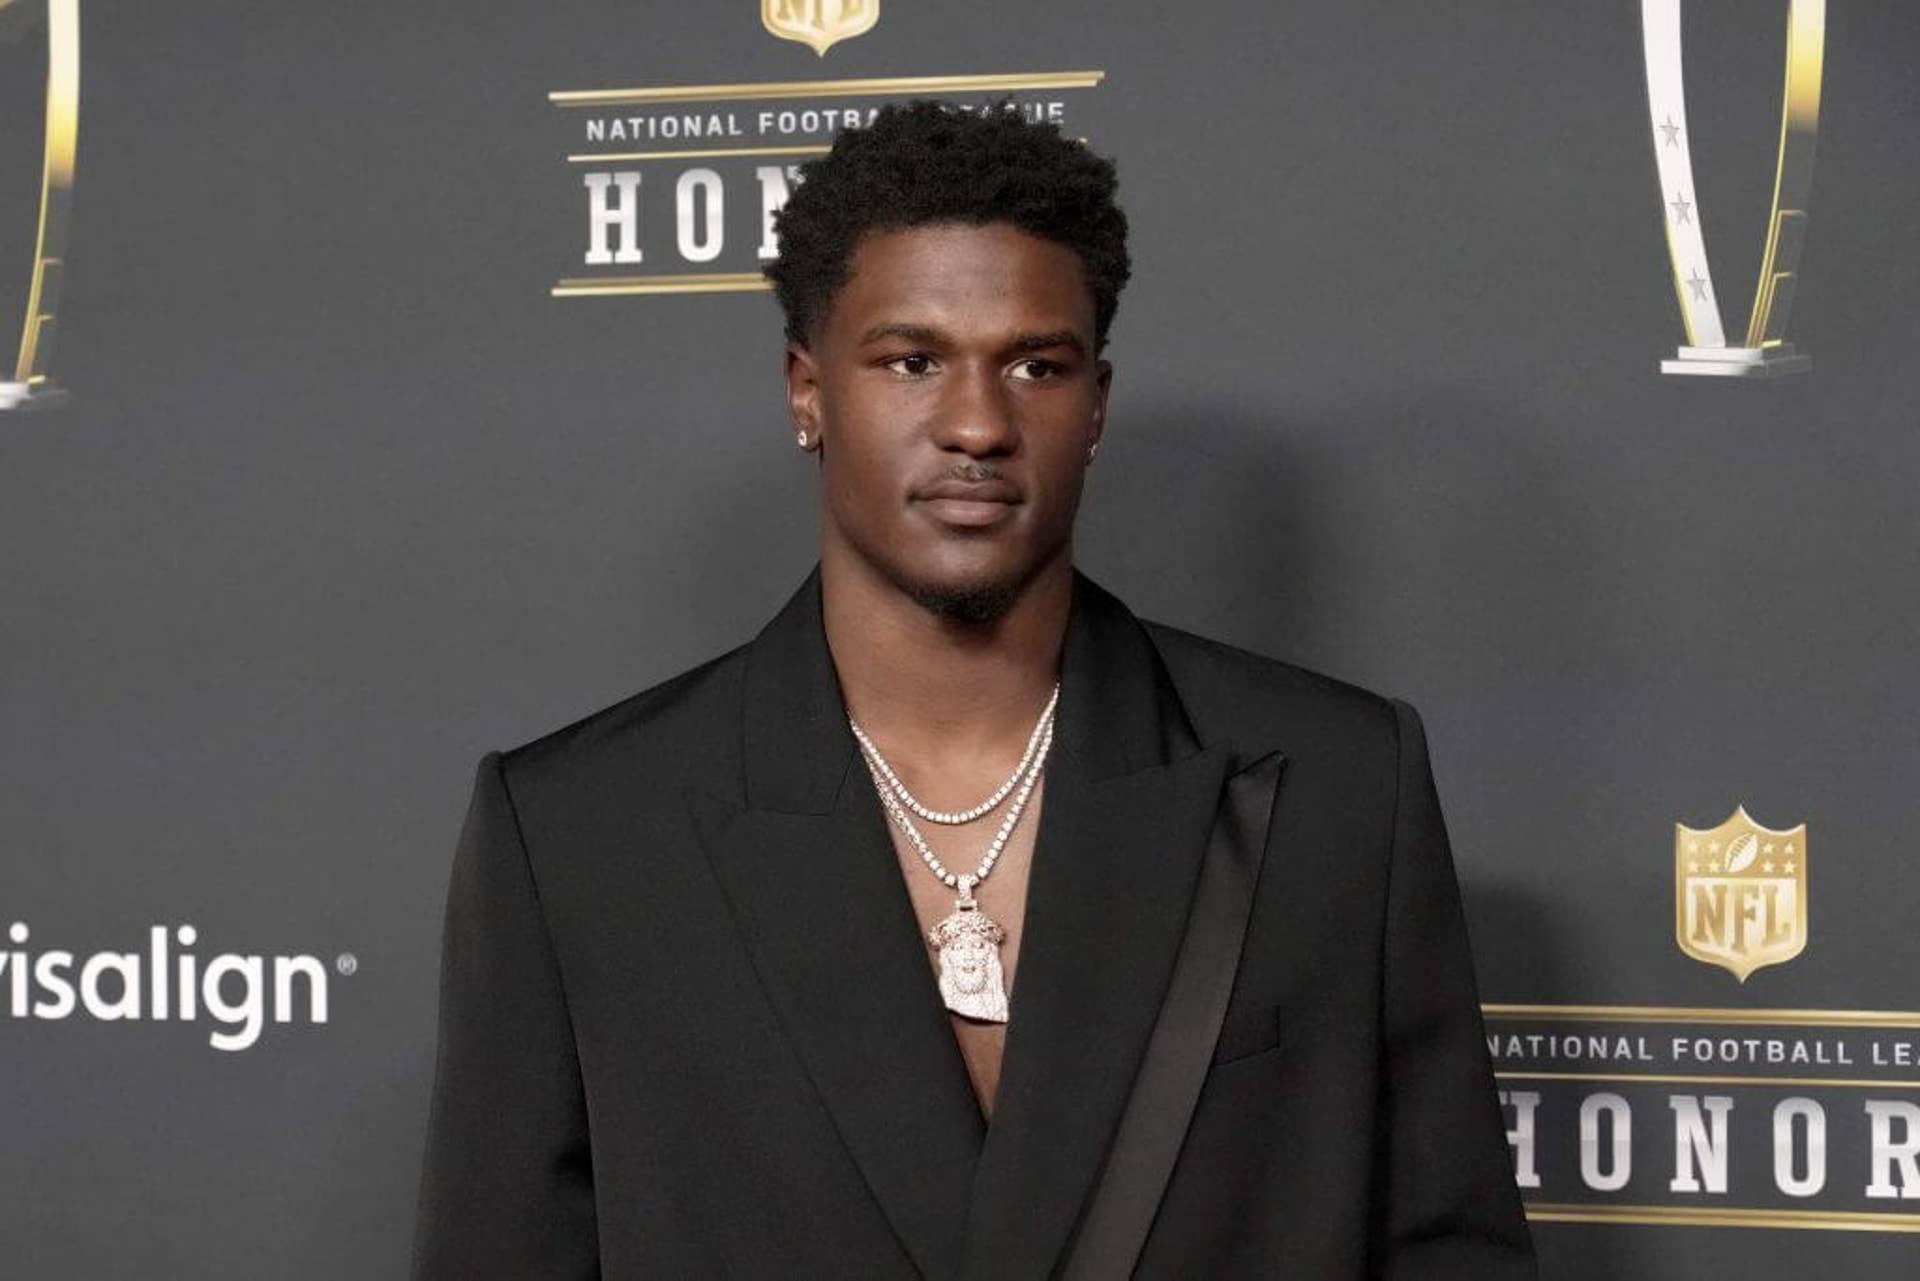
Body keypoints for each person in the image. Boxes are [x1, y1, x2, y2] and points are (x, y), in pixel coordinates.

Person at [412, 100, 1536, 1279]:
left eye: (1034, 366)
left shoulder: (1338, 781)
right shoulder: (583, 831)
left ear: (1095, 405)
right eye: (911, 361)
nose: (976, 424)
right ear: (808, 392)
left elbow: (1447, 1248)